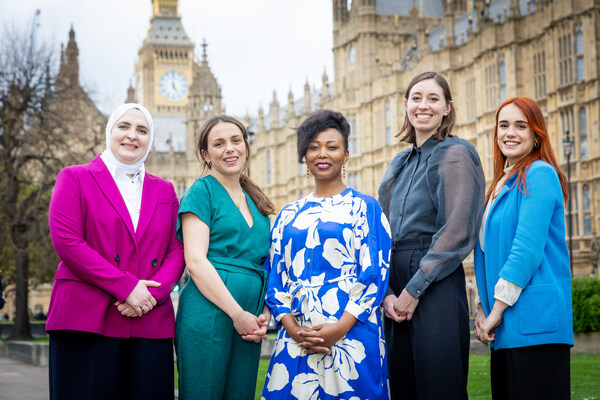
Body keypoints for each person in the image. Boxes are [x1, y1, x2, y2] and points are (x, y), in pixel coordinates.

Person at [47, 103, 185, 399]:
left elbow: (177, 250)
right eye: (124, 127)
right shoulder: (74, 177)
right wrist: (126, 287)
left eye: (142, 130)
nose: (132, 136)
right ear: (110, 131)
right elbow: (67, 241)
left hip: (149, 321)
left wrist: (149, 296)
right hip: (87, 318)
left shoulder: (165, 190)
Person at [262, 109, 391, 399]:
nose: (323, 154)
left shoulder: (366, 207)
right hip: (298, 336)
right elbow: (275, 276)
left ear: (346, 155)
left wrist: (339, 328)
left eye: (332, 147)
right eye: (313, 147)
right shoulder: (287, 215)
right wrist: (292, 328)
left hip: (351, 334)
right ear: (304, 156)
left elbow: (375, 273)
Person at [378, 71, 485, 400]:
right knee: (403, 385)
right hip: (395, 286)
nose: (423, 105)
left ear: (447, 108)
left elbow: (457, 230)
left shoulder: (456, 154)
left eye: (433, 98)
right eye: (416, 98)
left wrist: (414, 290)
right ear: (405, 105)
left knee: (439, 386)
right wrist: (387, 292)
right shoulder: (400, 162)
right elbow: (381, 230)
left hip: (434, 280)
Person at [474, 97, 573, 399]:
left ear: (536, 134)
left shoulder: (539, 173)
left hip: (536, 327)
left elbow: (525, 251)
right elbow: (489, 254)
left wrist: (494, 314)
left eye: (521, 126)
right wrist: (482, 308)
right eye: (504, 125)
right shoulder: (499, 185)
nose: (510, 133)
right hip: (506, 331)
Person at [175, 115, 275, 399]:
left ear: (246, 145)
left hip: (250, 318)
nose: (229, 149)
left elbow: (262, 264)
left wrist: (263, 311)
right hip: (210, 312)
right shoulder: (201, 191)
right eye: (219, 144)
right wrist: (237, 313)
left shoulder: (256, 200)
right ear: (206, 155)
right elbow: (195, 262)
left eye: (235, 140)